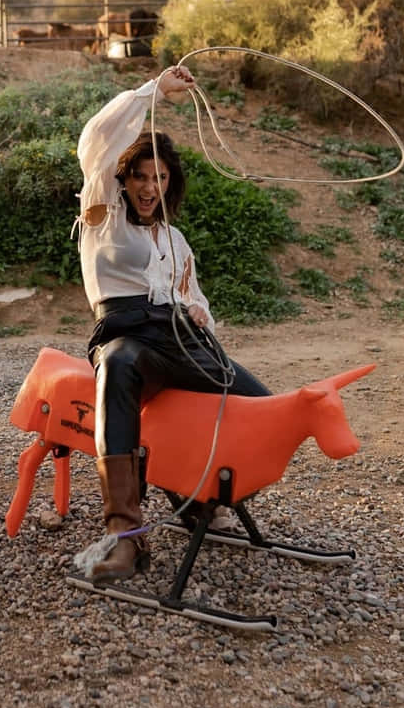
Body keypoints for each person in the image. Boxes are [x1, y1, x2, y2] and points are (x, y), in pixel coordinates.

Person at [76, 65, 270, 584]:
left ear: (169, 182)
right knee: (116, 367)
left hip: (180, 339)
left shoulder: (175, 241)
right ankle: (125, 536)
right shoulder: (104, 211)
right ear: (124, 177)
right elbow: (98, 139)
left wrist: (200, 311)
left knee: (261, 406)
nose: (148, 186)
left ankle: (192, 499)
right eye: (139, 175)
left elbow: (194, 297)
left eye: (158, 177)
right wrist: (153, 91)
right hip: (126, 335)